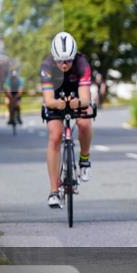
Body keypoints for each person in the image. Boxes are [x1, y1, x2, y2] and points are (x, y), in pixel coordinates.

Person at [41, 31, 94, 209]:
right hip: (56, 98)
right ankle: (54, 191)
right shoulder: (47, 65)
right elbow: (48, 100)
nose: (64, 64)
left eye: (68, 60)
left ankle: (84, 159)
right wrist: (58, 104)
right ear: (54, 58)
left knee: (84, 122)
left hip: (76, 94)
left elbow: (85, 99)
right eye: (60, 61)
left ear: (74, 57)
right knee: (55, 135)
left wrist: (77, 102)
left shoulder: (82, 63)